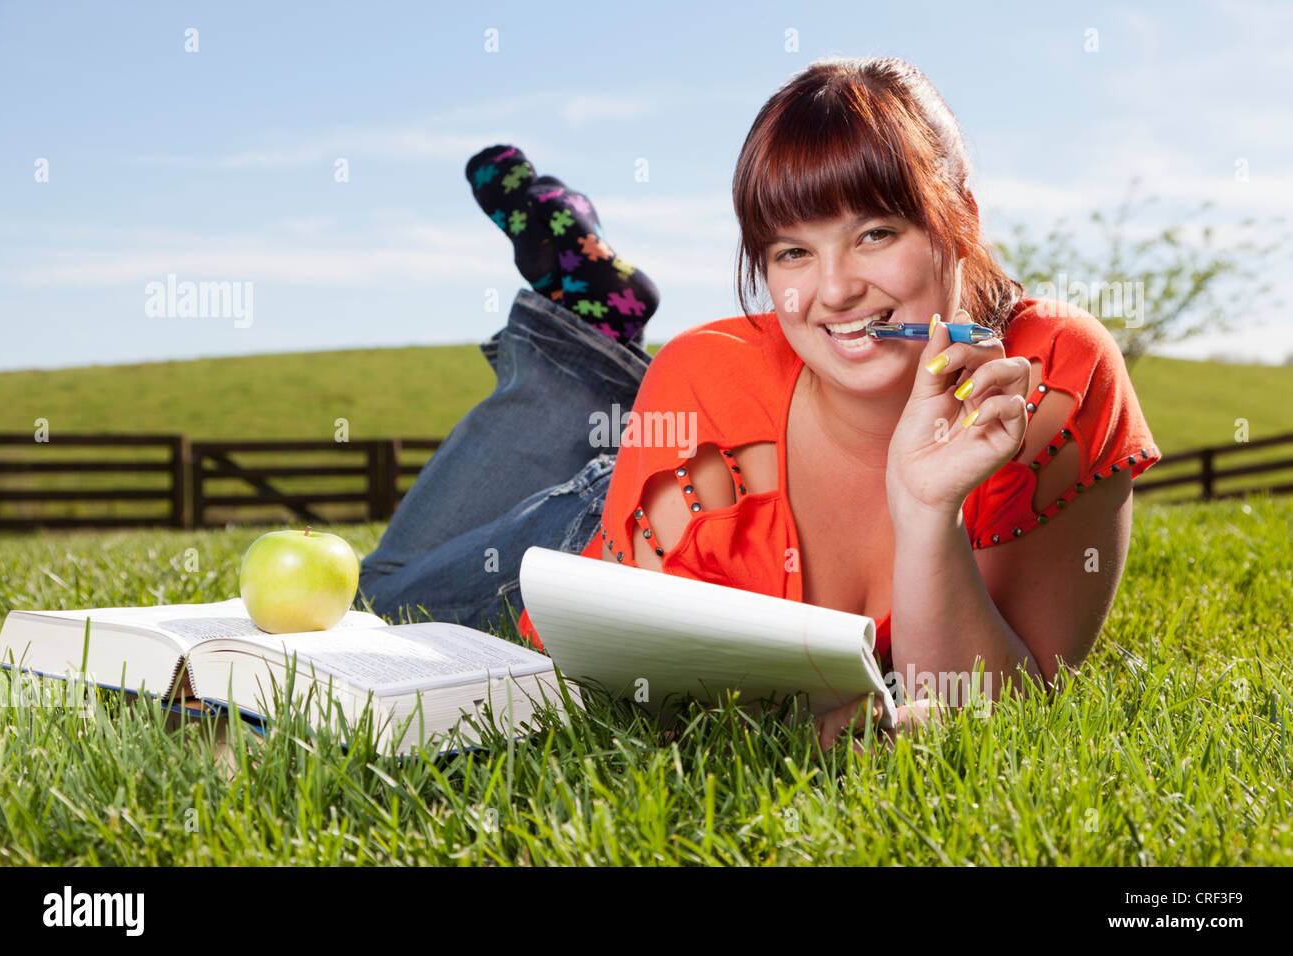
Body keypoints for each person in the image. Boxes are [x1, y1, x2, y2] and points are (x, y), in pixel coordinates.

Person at [357, 56, 1162, 754]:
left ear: (960, 221)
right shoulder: (705, 372)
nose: (837, 290)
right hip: (642, 516)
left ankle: (587, 321)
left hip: (706, 467)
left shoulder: (1055, 377)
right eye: (793, 252)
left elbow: (1011, 707)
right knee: (376, 601)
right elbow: (616, 680)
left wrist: (926, 508)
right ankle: (580, 328)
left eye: (877, 233)